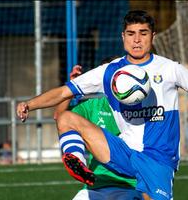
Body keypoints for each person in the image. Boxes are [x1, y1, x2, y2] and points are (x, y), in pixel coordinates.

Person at [17, 10, 188, 200]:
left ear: (152, 36)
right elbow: (63, 91)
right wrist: (30, 103)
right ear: (122, 37)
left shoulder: (170, 69)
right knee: (67, 118)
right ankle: (76, 161)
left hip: (157, 160)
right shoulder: (109, 72)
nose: (136, 40)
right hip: (123, 153)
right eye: (131, 34)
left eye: (143, 33)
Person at [55, 62, 142, 200]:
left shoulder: (142, 107)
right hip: (95, 187)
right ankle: (77, 160)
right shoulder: (93, 106)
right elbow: (60, 118)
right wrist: (71, 89)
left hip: (130, 187)